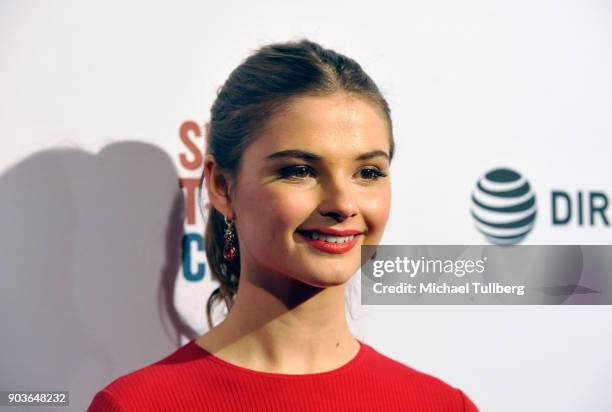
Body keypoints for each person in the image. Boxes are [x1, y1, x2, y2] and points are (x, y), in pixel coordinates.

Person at [88, 38, 479, 411]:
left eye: (368, 172)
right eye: (300, 170)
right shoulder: (136, 406)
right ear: (222, 186)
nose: (343, 204)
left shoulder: (441, 406)